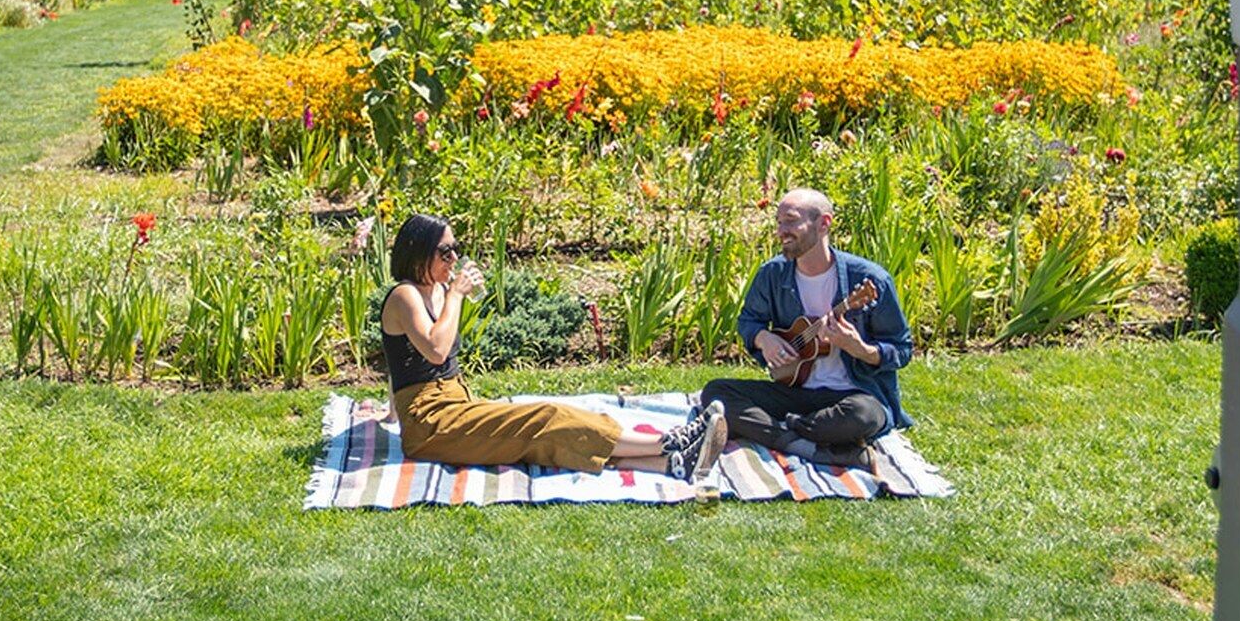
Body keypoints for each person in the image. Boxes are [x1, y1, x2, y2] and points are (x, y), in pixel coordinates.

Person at [380, 213, 727, 480]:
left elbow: (398, 361)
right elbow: (436, 351)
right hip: (431, 426)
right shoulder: (405, 295)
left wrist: (392, 410)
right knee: (544, 416)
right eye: (445, 251)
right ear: (419, 252)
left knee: (540, 439)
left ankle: (672, 463)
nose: (454, 258)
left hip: (453, 404)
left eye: (456, 248)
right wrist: (457, 294)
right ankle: (669, 440)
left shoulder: (437, 290)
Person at [700, 188, 913, 467]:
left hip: (854, 394)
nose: (781, 231)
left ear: (824, 223)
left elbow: (902, 349)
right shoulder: (773, 274)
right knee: (716, 393)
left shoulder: (870, 280)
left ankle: (783, 431)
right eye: (778, 222)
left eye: (790, 221)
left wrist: (860, 349)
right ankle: (808, 445)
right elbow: (749, 321)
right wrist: (765, 339)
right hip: (797, 392)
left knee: (862, 417)